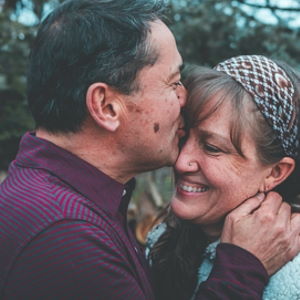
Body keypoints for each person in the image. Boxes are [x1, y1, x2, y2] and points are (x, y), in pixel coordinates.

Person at [0, 0, 299, 297]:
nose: (183, 98)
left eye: (211, 146)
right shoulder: (67, 239)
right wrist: (242, 269)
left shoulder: (64, 205)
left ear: (276, 172)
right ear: (107, 106)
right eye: (173, 83)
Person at [147, 55, 300, 300]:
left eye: (212, 148)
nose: (181, 162)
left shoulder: (292, 280)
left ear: (275, 172)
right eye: (183, 137)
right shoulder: (160, 242)